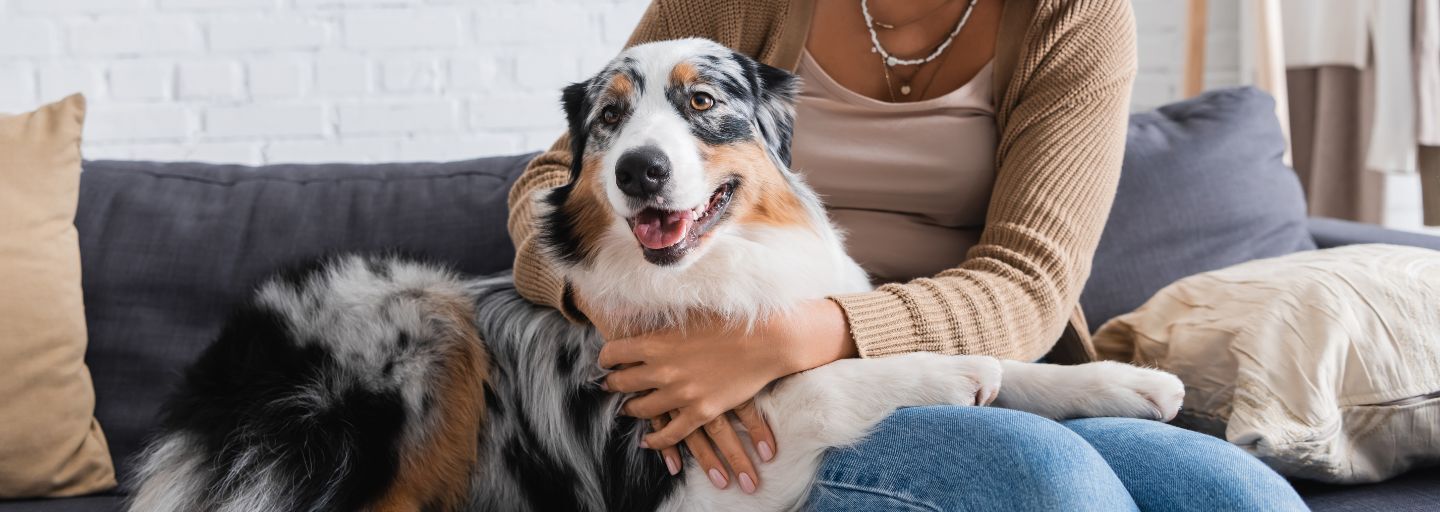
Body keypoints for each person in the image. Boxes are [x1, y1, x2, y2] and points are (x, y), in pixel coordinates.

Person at [507, 0, 1309, 510]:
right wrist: (604, 302)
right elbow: (557, 175)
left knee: (1241, 496)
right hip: (785, 403)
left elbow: (1029, 284)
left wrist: (789, 337)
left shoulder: (1078, 15)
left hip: (984, 363)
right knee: (1054, 488)